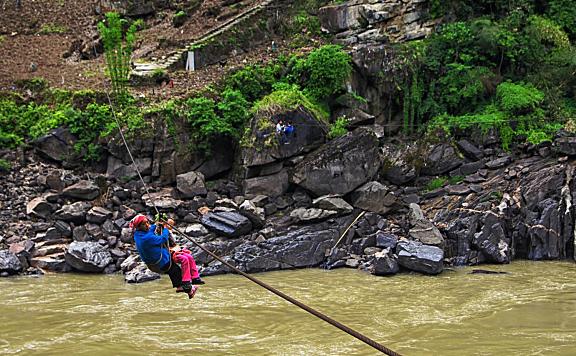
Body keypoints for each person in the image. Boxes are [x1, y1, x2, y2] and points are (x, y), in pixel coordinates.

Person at [130, 214, 204, 299]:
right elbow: (163, 239)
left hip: (154, 264)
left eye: (147, 222)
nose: (147, 225)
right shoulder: (147, 238)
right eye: (144, 224)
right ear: (138, 227)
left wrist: (156, 224)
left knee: (174, 271)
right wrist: (166, 229)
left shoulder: (138, 234)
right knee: (176, 270)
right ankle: (186, 287)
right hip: (160, 263)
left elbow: (150, 230)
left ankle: (185, 286)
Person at [166, 218, 204, 297]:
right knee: (185, 259)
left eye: (171, 226)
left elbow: (174, 245)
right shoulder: (164, 233)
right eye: (168, 225)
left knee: (189, 257)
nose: (170, 227)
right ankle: (186, 282)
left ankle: (195, 278)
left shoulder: (170, 233)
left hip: (175, 251)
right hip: (172, 254)